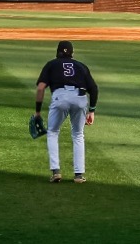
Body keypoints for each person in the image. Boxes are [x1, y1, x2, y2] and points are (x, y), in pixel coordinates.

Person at [34, 40, 99, 184]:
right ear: (72, 53)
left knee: (52, 132)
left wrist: (37, 112)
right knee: (78, 134)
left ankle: (56, 171)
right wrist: (92, 111)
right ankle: (78, 175)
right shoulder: (81, 66)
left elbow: (40, 88)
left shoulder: (51, 64)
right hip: (80, 98)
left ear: (57, 52)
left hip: (61, 97)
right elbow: (93, 88)